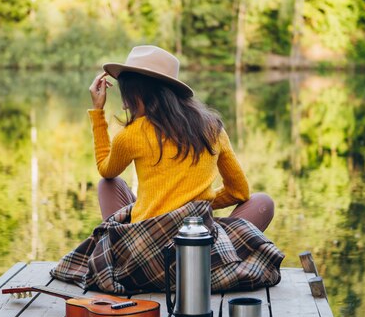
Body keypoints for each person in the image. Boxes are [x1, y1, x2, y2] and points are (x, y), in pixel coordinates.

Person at [87, 45, 274, 232]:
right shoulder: (213, 128)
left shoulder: (131, 134)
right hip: (196, 239)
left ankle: (121, 247)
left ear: (139, 93)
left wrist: (97, 112)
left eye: (126, 94)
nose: (124, 105)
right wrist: (194, 203)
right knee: (262, 202)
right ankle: (216, 258)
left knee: (109, 184)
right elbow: (239, 192)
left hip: (147, 244)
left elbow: (106, 170)